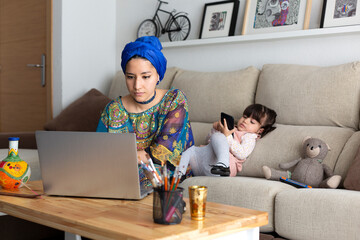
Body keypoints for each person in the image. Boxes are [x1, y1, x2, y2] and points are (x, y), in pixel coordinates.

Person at [96, 36, 194, 183]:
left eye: (146, 77)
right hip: (120, 178)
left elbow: (161, 154)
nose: (137, 86)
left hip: (166, 182)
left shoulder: (174, 100)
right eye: (130, 77)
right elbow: (97, 152)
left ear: (158, 76)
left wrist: (118, 158)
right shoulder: (113, 109)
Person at [178, 104, 277, 177]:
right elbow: (208, 140)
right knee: (191, 150)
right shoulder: (231, 128)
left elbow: (242, 153)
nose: (245, 121)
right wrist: (216, 129)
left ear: (260, 130)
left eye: (252, 122)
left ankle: (223, 166)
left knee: (219, 137)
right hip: (204, 165)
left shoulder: (250, 137)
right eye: (245, 117)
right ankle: (178, 174)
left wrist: (227, 136)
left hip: (225, 168)